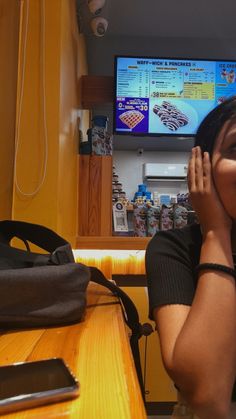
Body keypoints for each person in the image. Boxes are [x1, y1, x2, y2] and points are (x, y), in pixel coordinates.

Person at [146, 96, 236, 419]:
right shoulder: (171, 249)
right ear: (203, 169)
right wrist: (215, 232)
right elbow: (207, 398)